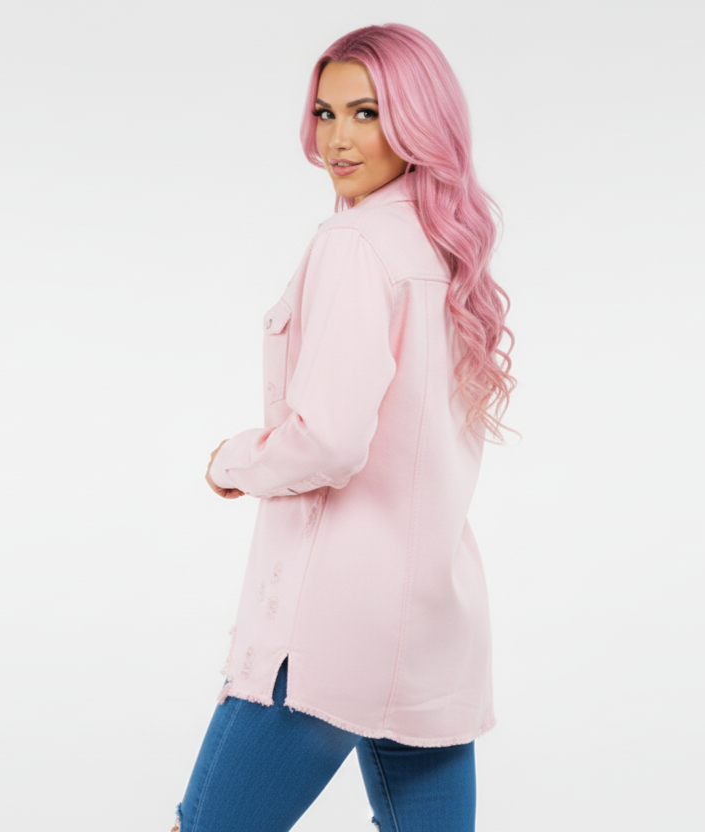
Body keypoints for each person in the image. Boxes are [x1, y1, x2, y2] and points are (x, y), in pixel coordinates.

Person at [176, 23, 515, 832]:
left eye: (366, 113)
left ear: (418, 119)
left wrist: (231, 462)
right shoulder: (447, 248)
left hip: (328, 629)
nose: (337, 139)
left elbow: (329, 440)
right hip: (432, 619)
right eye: (326, 114)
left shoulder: (354, 243)